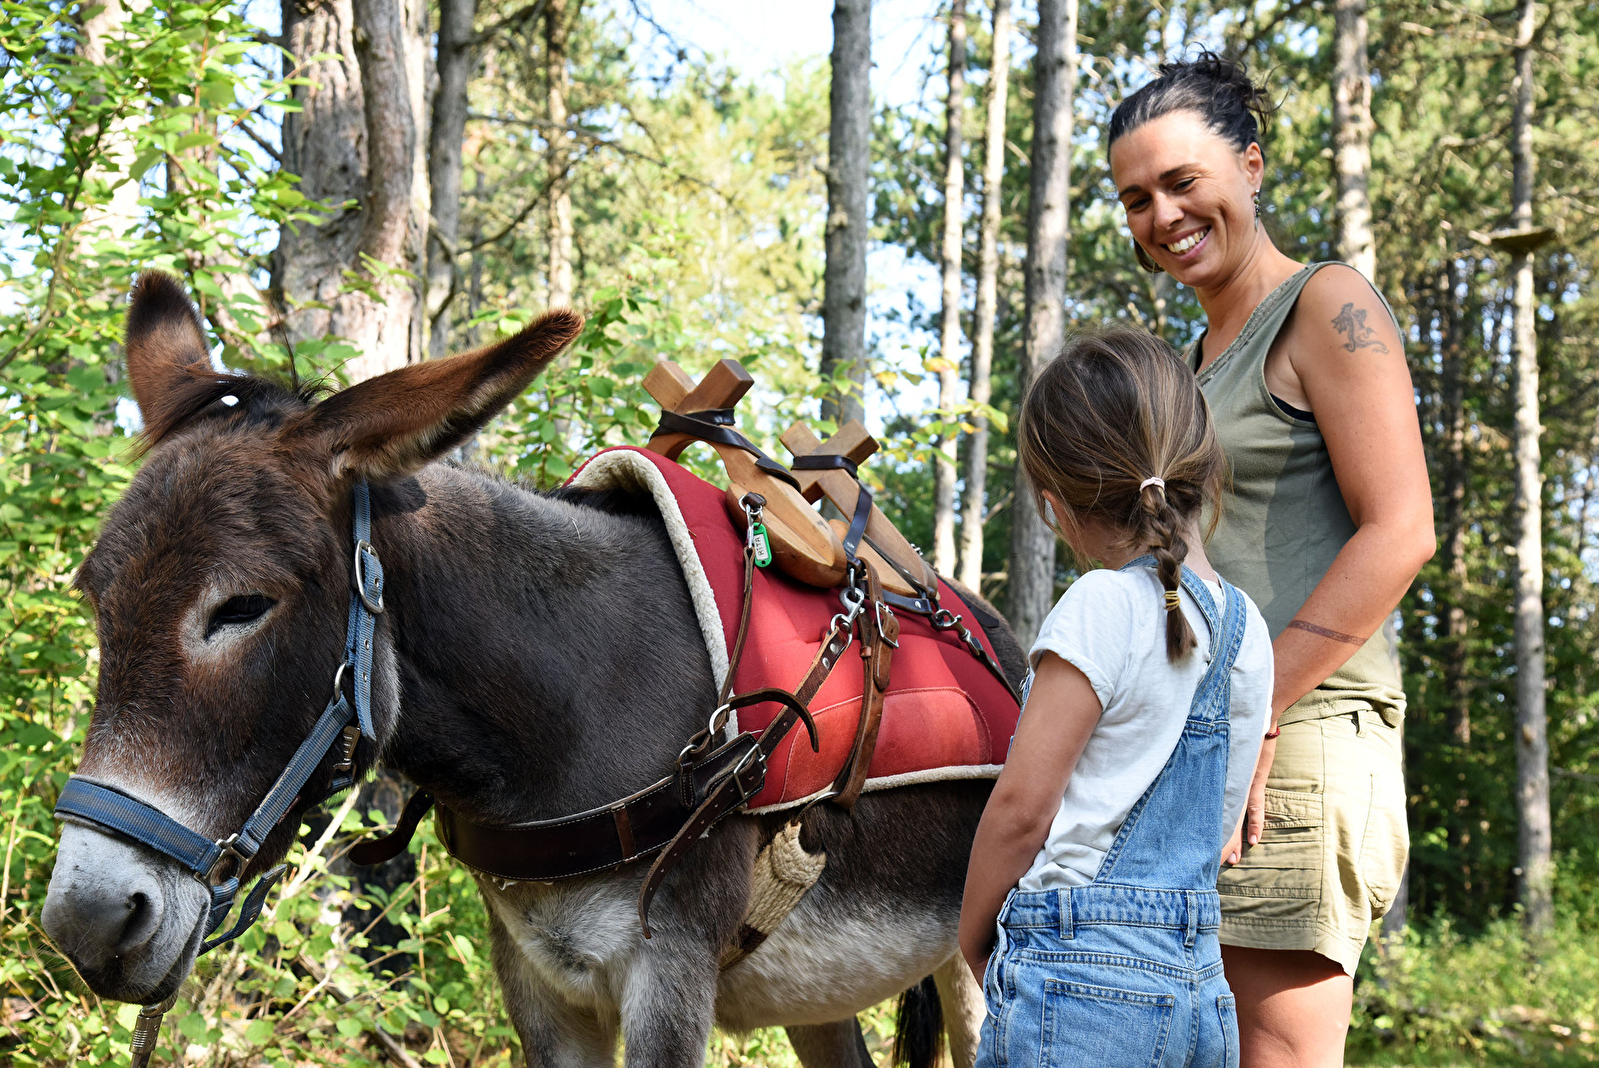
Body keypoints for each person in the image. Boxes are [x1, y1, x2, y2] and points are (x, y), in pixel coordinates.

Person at [1105, 52, 1436, 1068]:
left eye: (1182, 181)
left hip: (1302, 734)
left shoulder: (1324, 305)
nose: (1162, 215)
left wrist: (1259, 709)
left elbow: (1401, 529)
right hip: (1210, 747)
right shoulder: (1189, 368)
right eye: (1136, 199)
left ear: (1250, 167)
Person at [959, 329, 1274, 1068]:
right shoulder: (1248, 629)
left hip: (1080, 979)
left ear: (1054, 506)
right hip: (1200, 986)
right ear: (1204, 461)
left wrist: (974, 935)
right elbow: (1216, 826)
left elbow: (1021, 808)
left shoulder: (1103, 604)